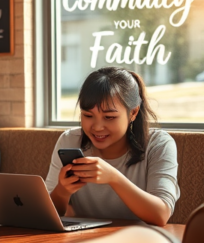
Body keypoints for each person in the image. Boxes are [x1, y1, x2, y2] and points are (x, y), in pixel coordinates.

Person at [45, 67, 179, 226]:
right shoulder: (69, 141)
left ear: (133, 113)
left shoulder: (159, 144)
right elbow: (47, 214)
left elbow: (161, 215)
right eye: (88, 115)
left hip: (142, 241)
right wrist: (63, 190)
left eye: (109, 117)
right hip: (83, 241)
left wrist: (114, 178)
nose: (97, 127)